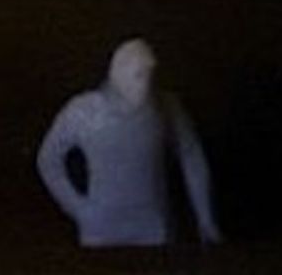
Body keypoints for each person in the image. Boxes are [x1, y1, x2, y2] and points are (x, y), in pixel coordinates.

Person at [34, 38, 221, 248]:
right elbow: (48, 160)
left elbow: (192, 158)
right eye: (139, 75)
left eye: (150, 75)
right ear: (118, 73)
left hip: (156, 233)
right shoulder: (84, 112)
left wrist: (206, 219)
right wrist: (78, 208)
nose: (145, 84)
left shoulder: (168, 107)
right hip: (100, 235)